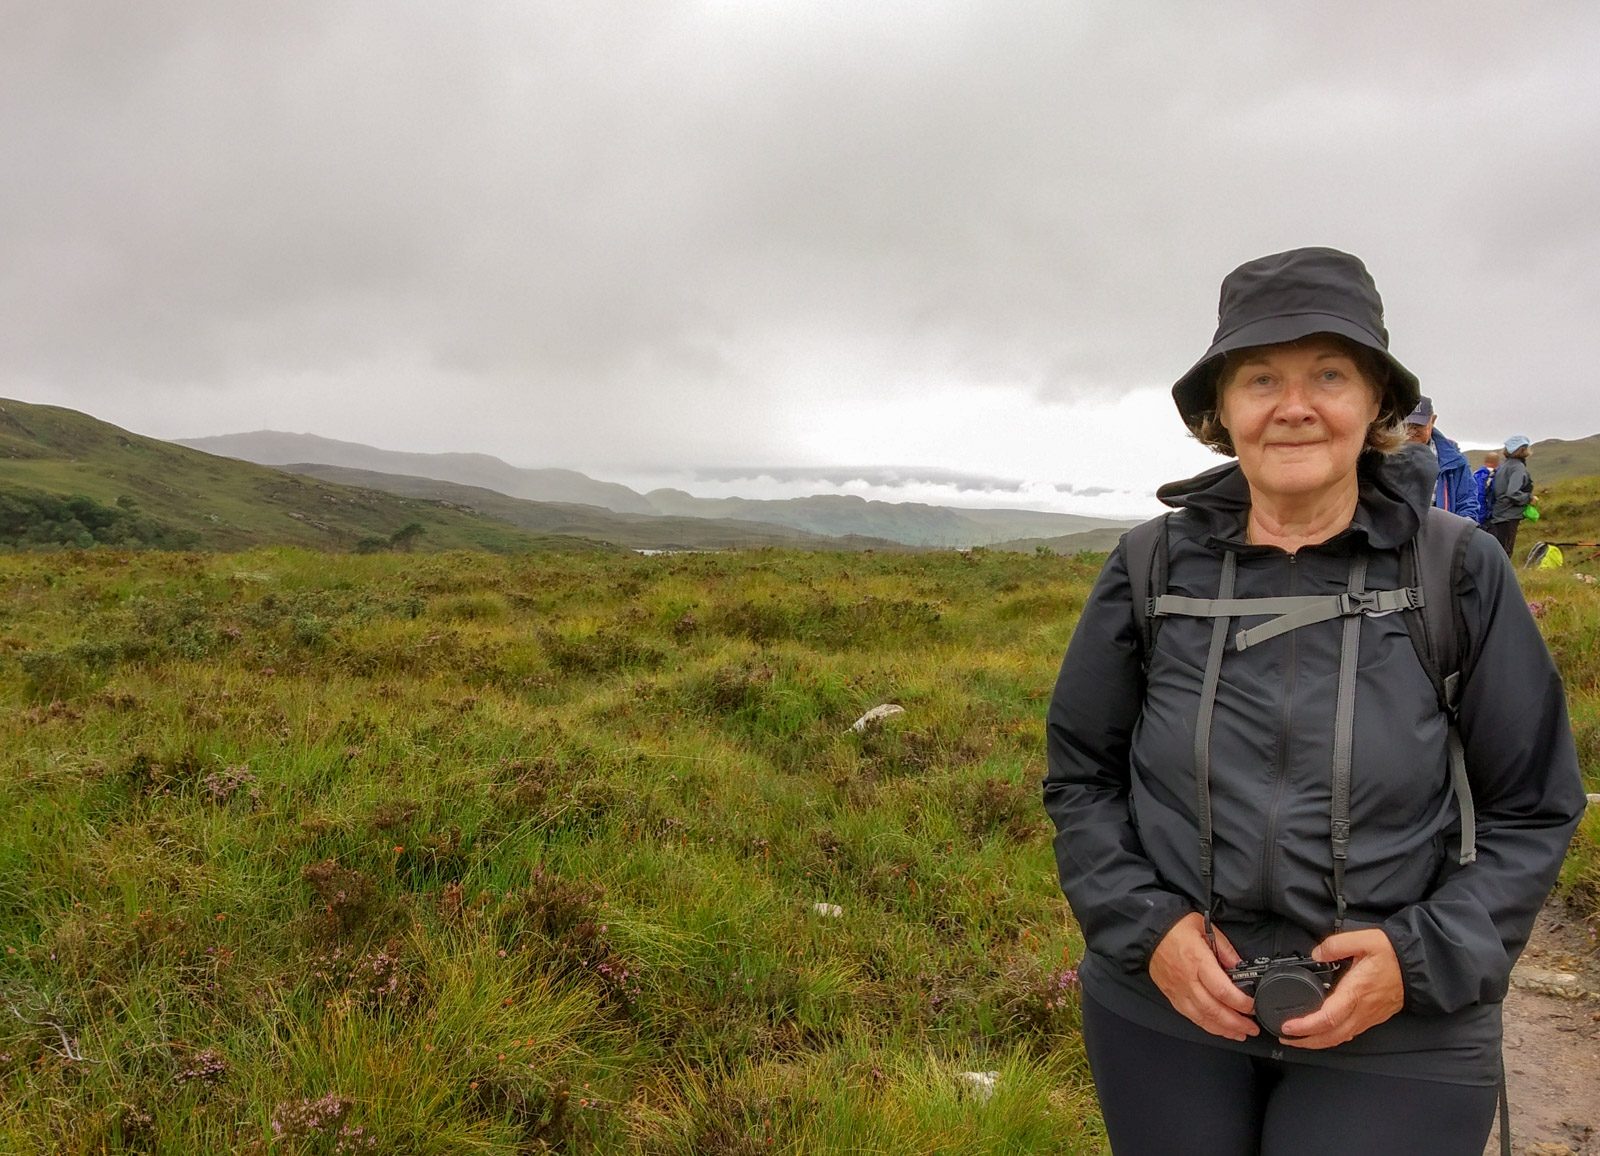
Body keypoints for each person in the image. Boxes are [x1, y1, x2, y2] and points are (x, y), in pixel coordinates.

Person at [1043, 247, 1584, 1156]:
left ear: (1376, 400)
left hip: (1403, 1026)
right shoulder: (1149, 568)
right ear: (1222, 411)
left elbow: (1533, 808)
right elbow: (1081, 780)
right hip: (1167, 1008)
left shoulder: (1455, 571)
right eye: (1261, 378)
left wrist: (1413, 962)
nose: (1294, 405)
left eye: (1328, 373)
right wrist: (1150, 930)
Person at [1403, 395, 1480, 522]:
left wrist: (1459, 534)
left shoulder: (1455, 460)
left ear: (1432, 421)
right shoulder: (1383, 454)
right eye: (1406, 425)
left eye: (1418, 425)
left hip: (1440, 534)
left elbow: (1467, 502)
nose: (1411, 431)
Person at [1487, 436, 1535, 559]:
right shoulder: (1517, 467)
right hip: (1508, 516)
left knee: (1498, 552)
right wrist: (1529, 498)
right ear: (1523, 449)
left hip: (1498, 514)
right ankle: (1501, 578)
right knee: (1505, 553)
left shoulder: (1504, 466)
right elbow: (1513, 493)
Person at [1472, 451, 1500, 528]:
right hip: (1490, 516)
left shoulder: (1475, 474)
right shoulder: (1498, 476)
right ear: (1497, 462)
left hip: (1475, 513)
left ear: (1485, 461)